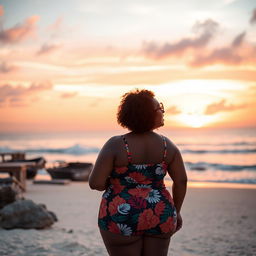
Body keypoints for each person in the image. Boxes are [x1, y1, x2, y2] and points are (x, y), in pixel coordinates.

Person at [89, 89, 187, 256]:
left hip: (121, 213)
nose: (163, 111)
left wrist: (117, 183)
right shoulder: (167, 146)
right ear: (146, 114)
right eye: (159, 108)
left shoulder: (115, 144)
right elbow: (181, 181)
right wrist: (175, 212)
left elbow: (96, 183)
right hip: (160, 212)